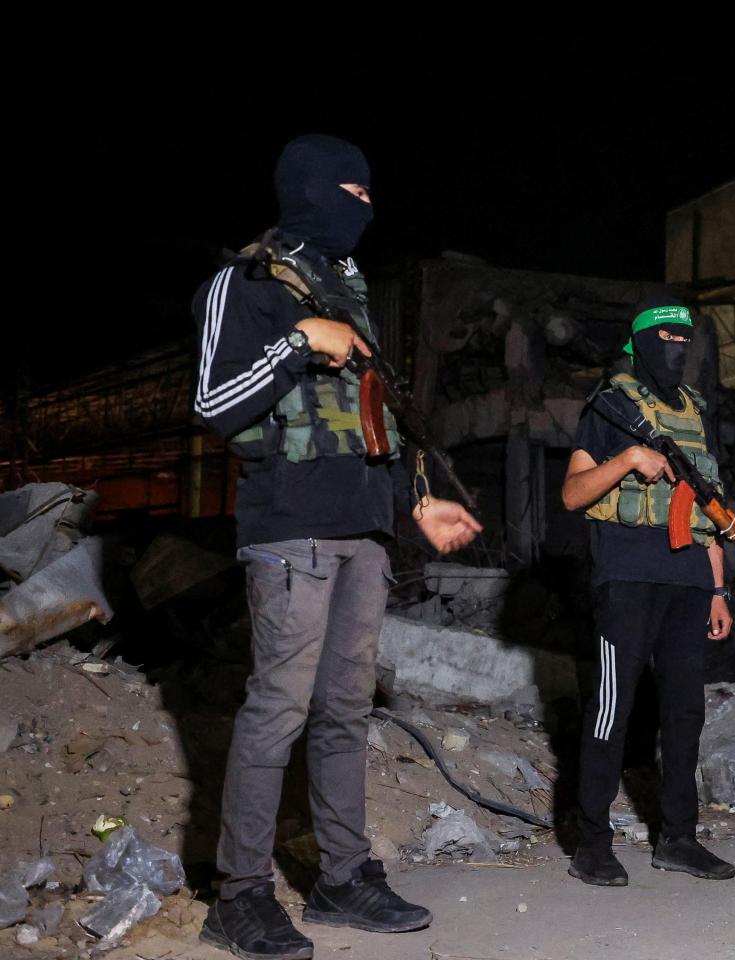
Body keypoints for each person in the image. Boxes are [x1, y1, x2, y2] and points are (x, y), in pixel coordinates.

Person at [193, 135, 481, 960]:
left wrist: (414, 506)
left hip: (364, 535)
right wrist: (294, 342)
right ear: (312, 191)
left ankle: (342, 878)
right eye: (351, 191)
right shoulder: (243, 283)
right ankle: (239, 895)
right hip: (290, 532)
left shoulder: (346, 289)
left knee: (345, 715)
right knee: (276, 711)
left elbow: (370, 425)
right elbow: (213, 402)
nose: (364, 206)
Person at [559, 300, 735, 885]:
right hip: (628, 575)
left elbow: (705, 504)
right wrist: (630, 458)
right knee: (613, 706)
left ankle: (679, 839)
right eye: (665, 339)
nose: (676, 350)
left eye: (684, 340)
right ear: (640, 344)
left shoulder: (693, 411)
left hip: (689, 580)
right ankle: (591, 843)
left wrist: (718, 588)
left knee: (685, 712)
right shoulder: (612, 406)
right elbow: (572, 494)